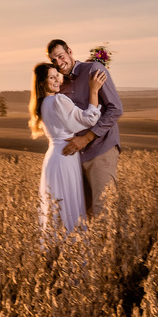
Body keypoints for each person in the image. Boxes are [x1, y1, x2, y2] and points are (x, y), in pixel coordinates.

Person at [47, 39, 123, 216]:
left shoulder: (94, 70)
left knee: (103, 208)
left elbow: (115, 109)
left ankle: (110, 244)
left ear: (70, 52)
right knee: (81, 211)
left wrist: (87, 138)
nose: (58, 63)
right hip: (74, 157)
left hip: (100, 150)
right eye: (53, 60)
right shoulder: (60, 85)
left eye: (60, 56)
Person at [30, 62, 108, 233]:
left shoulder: (42, 104)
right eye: (52, 77)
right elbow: (90, 119)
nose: (58, 79)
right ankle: (73, 250)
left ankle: (54, 251)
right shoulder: (59, 100)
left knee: (55, 207)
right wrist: (94, 90)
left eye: (57, 75)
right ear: (43, 82)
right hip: (66, 157)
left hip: (52, 159)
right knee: (70, 205)